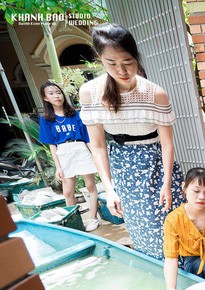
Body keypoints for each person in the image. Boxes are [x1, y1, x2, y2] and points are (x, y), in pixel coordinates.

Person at [79, 23, 184, 260]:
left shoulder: (155, 93)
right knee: (140, 228)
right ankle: (162, 277)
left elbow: (167, 143)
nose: (121, 70)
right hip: (122, 167)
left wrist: (167, 183)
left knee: (170, 225)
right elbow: (97, 146)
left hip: (156, 164)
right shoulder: (90, 93)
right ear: (100, 59)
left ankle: (187, 275)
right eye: (111, 63)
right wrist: (109, 188)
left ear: (136, 56)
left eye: (127, 62)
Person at [38, 82, 100, 231]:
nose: (56, 96)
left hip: (79, 148)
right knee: (68, 191)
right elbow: (52, 145)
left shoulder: (76, 115)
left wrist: (97, 157)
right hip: (63, 152)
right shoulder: (46, 119)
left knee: (91, 186)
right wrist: (58, 167)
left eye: (58, 92)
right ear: (45, 98)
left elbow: (87, 138)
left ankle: (93, 218)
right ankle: (73, 222)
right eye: (51, 93)